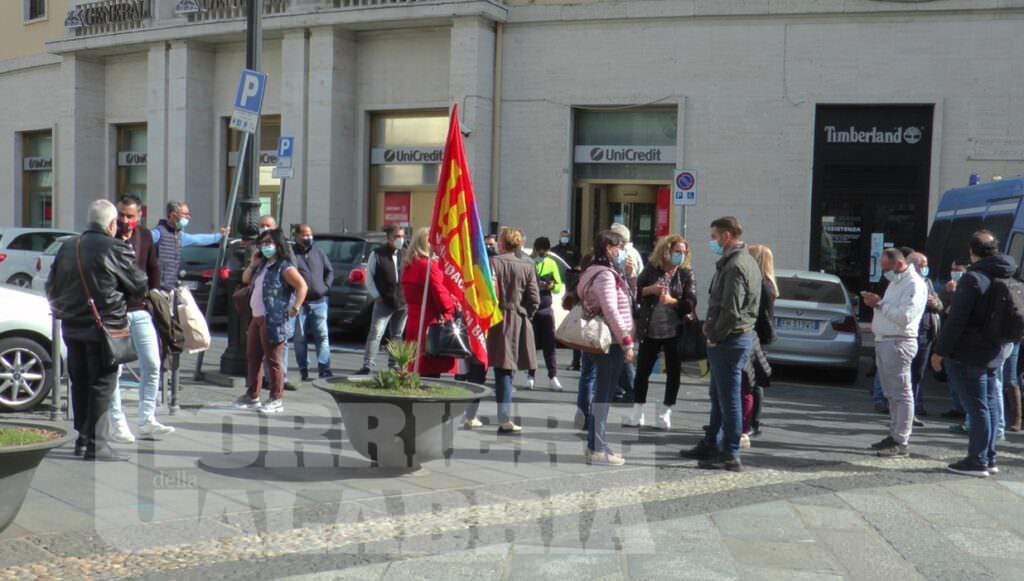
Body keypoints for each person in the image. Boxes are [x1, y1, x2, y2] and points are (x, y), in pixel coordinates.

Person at [47, 200, 148, 461]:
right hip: (106, 327)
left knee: (79, 383)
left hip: (72, 326)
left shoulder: (69, 246)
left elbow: (52, 285)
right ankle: (97, 445)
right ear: (112, 224)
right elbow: (139, 285)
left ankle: (82, 439)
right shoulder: (115, 247)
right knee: (102, 384)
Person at [932, 231, 1018, 477]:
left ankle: (977, 460)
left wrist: (939, 352)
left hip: (969, 352)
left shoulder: (974, 278)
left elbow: (957, 320)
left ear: (972, 251)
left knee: (977, 408)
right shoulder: (1007, 272)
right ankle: (989, 457)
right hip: (995, 349)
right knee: (989, 406)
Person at [681, 216, 761, 472]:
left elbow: (731, 310)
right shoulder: (742, 260)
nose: (712, 242)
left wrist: (714, 334)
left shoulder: (736, 265)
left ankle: (730, 452)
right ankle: (713, 443)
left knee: (729, 398)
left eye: (714, 237)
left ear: (727, 236)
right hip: (732, 337)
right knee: (718, 395)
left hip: (730, 339)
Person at [107, 194, 174, 444]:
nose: (125, 220)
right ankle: (118, 422)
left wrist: (154, 294)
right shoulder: (109, 236)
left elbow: (153, 265)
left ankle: (147, 419)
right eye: (121, 215)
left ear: (139, 215)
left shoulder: (144, 235)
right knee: (116, 368)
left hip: (140, 309)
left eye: (130, 216)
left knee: (153, 363)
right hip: (116, 312)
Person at [623, 234, 696, 430]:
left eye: (683, 252)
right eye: (677, 252)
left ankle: (665, 412)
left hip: (675, 331)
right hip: (650, 329)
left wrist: (673, 301)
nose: (681, 255)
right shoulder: (652, 270)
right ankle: (638, 412)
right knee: (642, 371)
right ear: (666, 252)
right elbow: (634, 291)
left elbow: (690, 303)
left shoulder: (686, 274)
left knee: (673, 373)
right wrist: (651, 290)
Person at [861, 248, 928, 458]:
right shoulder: (896, 282)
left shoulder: (914, 284)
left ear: (898, 264)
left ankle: (901, 439)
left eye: (886, 268)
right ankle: (894, 433)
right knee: (892, 394)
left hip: (899, 342)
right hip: (885, 340)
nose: (884, 273)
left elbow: (905, 317)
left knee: (902, 392)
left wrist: (879, 303)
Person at [234, 229, 308, 415]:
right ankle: (253, 395)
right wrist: (252, 264)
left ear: (278, 244)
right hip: (256, 318)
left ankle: (276, 398)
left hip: (273, 319)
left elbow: (302, 286)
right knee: (253, 357)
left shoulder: (285, 267)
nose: (265, 246)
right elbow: (245, 279)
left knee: (273, 360)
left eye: (269, 242)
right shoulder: (261, 265)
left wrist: (296, 307)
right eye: (263, 243)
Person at [578, 230, 634, 465]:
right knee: (604, 394)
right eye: (620, 247)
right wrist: (626, 341)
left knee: (601, 393)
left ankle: (596, 444)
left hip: (598, 340)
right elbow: (611, 309)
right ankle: (598, 448)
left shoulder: (593, 270)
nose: (622, 252)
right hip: (609, 341)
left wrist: (629, 275)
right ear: (610, 248)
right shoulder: (605, 275)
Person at [483, 228, 540, 433]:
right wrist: (526, 314)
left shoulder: (493, 262)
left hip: (494, 318)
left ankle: (472, 414)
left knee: (488, 366)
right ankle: (504, 417)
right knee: (506, 368)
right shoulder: (527, 264)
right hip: (516, 317)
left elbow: (485, 292)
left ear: (503, 243)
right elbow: (535, 298)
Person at [401, 227, 458, 378]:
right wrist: (452, 306)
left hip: (414, 322)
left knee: (417, 368)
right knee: (430, 371)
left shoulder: (409, 265)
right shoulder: (429, 266)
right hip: (430, 323)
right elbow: (442, 298)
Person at [356, 226, 408, 375]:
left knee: (397, 334)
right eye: (397, 236)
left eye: (402, 236)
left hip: (402, 302)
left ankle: (394, 365)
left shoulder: (406, 253)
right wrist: (375, 294)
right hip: (384, 300)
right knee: (376, 332)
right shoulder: (377, 254)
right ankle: (367, 364)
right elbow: (369, 277)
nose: (400, 239)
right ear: (389, 238)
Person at [151, 200, 230, 291]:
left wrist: (219, 235)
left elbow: (198, 239)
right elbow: (141, 243)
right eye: (185, 214)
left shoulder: (179, 235)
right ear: (173, 215)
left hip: (170, 287)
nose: (189, 217)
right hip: (157, 288)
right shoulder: (158, 233)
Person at [743, 244, 777, 444]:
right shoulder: (766, 284)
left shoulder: (763, 284)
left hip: (755, 334)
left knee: (754, 381)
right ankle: (751, 422)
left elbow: (762, 315)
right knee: (753, 379)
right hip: (757, 334)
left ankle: (753, 423)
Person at [292, 224, 335, 381]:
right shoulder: (292, 254)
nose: (308, 237)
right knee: (300, 338)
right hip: (300, 303)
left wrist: (326, 287)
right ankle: (303, 369)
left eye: (310, 234)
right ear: (296, 236)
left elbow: (329, 271)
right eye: (304, 235)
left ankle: (324, 368)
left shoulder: (318, 252)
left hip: (320, 301)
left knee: (322, 336)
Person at [906, 252, 942, 427]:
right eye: (922, 264)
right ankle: (904, 411)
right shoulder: (905, 282)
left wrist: (934, 303)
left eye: (926, 264)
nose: (925, 268)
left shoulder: (927, 282)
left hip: (926, 334)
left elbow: (939, 305)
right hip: (910, 333)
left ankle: (914, 408)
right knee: (906, 374)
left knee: (918, 374)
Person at [527, 236, 563, 391]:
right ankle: (530, 375)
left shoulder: (552, 263)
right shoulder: (529, 262)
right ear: (536, 249)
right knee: (531, 345)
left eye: (545, 250)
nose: (543, 253)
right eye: (541, 250)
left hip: (546, 307)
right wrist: (536, 283)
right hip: (532, 309)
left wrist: (551, 284)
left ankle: (553, 376)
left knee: (550, 345)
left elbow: (558, 287)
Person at [609, 222, 640, 402]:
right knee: (619, 352)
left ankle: (630, 388)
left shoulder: (626, 256)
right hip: (623, 309)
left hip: (624, 311)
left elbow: (632, 287)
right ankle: (621, 388)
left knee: (623, 351)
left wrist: (627, 273)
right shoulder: (628, 253)